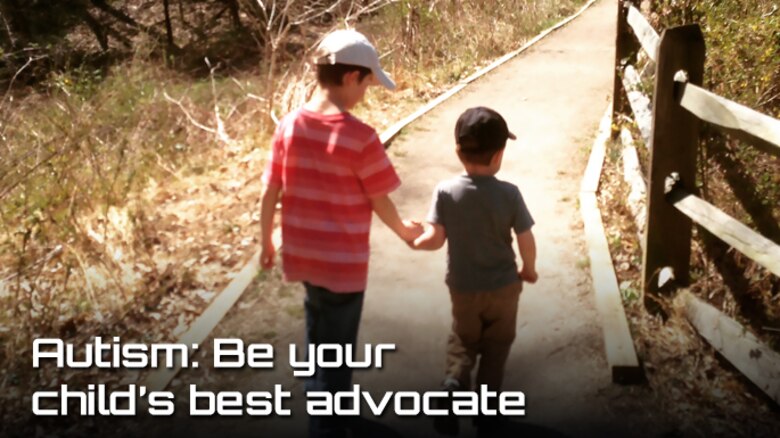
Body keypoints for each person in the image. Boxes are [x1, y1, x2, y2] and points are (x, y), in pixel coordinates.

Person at [259, 29, 422, 438]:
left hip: (304, 258)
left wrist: (266, 241)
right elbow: (379, 199)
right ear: (352, 78)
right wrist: (404, 231)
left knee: (318, 327)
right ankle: (327, 418)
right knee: (338, 351)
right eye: (368, 82)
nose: (367, 91)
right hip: (344, 266)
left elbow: (269, 190)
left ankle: (322, 392)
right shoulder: (361, 139)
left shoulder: (289, 126)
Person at [411, 106, 537, 436]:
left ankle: (452, 385)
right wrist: (529, 268)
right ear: (499, 155)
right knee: (496, 347)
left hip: (463, 287)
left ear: (457, 150)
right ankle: (488, 411)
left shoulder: (445, 191)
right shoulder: (510, 194)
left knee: (464, 342)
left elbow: (435, 239)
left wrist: (417, 238)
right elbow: (526, 238)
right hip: (504, 288)